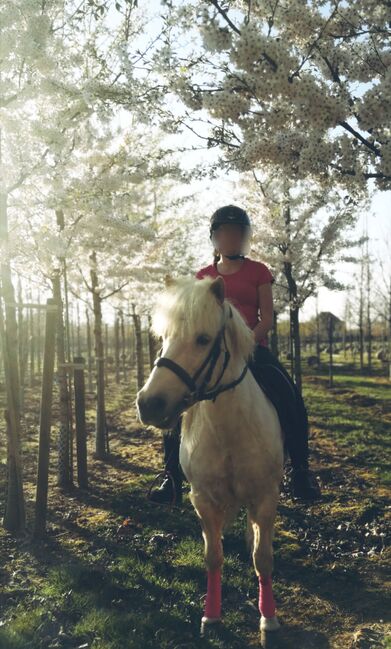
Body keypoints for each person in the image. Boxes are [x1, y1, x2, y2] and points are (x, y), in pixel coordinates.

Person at [149, 205, 321, 505]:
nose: (232, 238)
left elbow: (266, 317)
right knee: (181, 403)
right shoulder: (204, 276)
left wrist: (244, 345)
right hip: (210, 355)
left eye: (237, 233)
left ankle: (300, 471)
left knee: (289, 394)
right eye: (225, 233)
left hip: (253, 350)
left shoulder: (259, 272)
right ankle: (171, 475)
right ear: (215, 238)